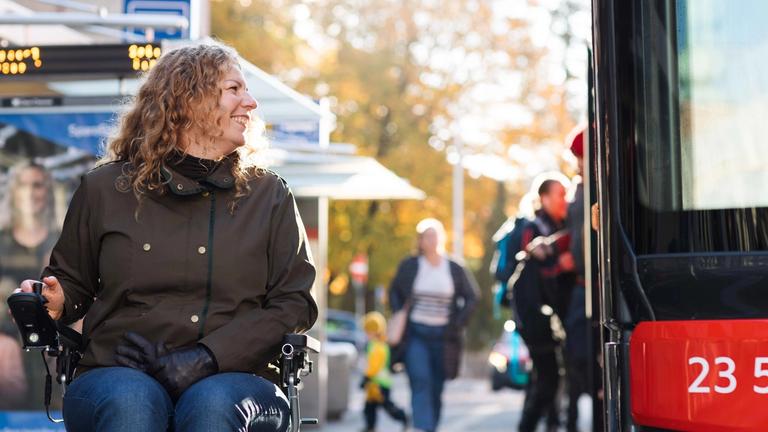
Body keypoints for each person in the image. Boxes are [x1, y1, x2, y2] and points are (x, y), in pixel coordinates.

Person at [15, 42, 318, 432]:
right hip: (118, 369)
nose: (251, 103)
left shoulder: (269, 196)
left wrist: (208, 357)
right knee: (132, 405)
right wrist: (55, 301)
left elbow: (295, 302)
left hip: (239, 375)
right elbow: (72, 282)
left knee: (210, 407)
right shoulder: (105, 189)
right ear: (188, 100)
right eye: (234, 89)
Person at [498, 175, 575, 432]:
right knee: (548, 378)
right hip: (537, 316)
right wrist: (559, 262)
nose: (566, 199)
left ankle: (548, 422)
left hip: (547, 315)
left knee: (546, 377)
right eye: (560, 194)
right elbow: (537, 274)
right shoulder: (534, 229)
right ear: (544, 198)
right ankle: (529, 425)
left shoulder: (556, 225)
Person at [389, 218, 478, 432]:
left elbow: (472, 296)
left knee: (436, 387)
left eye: (435, 235)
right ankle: (422, 427)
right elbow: (394, 291)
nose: (432, 240)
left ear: (441, 238)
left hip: (444, 337)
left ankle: (429, 426)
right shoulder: (410, 265)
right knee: (421, 382)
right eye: (427, 236)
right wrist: (400, 311)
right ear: (420, 241)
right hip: (415, 334)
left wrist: (458, 323)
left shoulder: (454, 267)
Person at [0, 161, 59, 409]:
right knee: (7, 367)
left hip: (53, 322)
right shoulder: (1, 240)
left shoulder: (62, 238)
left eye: (37, 185)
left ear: (47, 192)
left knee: (59, 367)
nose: (30, 192)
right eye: (23, 185)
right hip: (5, 326)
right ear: (13, 191)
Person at [563, 126, 590, 432]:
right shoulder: (580, 188)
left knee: (580, 354)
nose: (578, 163)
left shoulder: (592, 188)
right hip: (580, 284)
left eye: (581, 156)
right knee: (574, 355)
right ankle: (571, 419)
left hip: (588, 284)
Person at [360, 311, 408, 432]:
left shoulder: (377, 346)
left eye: (367, 331)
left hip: (379, 383)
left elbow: (374, 365)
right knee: (369, 407)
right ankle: (370, 427)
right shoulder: (379, 344)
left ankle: (402, 417)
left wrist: (366, 378)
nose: (366, 334)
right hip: (375, 384)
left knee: (387, 406)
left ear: (374, 331)